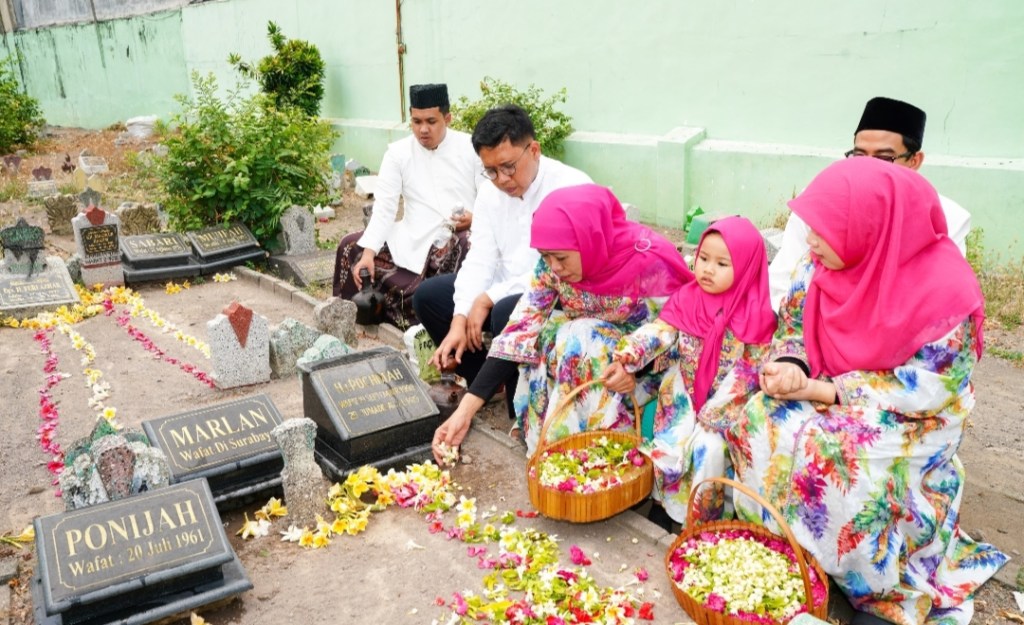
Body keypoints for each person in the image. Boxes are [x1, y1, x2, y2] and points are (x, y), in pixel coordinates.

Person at [728, 157, 1007, 625]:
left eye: (824, 230)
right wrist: (791, 365)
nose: (810, 240)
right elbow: (792, 327)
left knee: (837, 452)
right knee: (761, 417)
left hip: (913, 415)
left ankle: (875, 588)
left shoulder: (947, 291)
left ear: (871, 230)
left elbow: (931, 387)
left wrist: (828, 390)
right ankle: (788, 552)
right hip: (825, 387)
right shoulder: (817, 267)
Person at [431, 184, 692, 464]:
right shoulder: (552, 267)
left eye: (561, 257)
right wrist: (465, 412)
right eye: (545, 256)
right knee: (548, 332)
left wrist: (636, 370)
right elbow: (520, 329)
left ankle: (598, 451)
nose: (553, 267)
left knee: (580, 334)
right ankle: (553, 445)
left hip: (641, 372)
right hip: (580, 360)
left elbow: (680, 334)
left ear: (590, 240)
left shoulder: (649, 264)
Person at [413, 104, 591, 420]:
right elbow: (480, 259)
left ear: (533, 150)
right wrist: (460, 317)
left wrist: (488, 299)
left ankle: (519, 411)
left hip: (561, 293)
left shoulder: (570, 187)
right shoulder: (489, 194)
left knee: (506, 310)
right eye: (491, 170)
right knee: (429, 297)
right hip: (504, 285)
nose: (501, 179)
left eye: (508, 167)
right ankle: (486, 380)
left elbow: (553, 270)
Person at [602, 216, 776, 529]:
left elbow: (748, 374)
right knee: (671, 442)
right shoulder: (687, 298)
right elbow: (660, 331)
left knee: (707, 449)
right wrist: (627, 354)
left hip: (726, 408)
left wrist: (713, 414)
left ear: (748, 267)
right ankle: (666, 509)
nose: (708, 269)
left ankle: (701, 525)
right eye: (704, 258)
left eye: (723, 263)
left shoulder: (757, 316)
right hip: (683, 391)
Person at [768, 96, 972, 310]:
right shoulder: (819, 205)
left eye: (883, 158)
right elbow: (781, 283)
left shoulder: (944, 218)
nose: (868, 167)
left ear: (914, 161)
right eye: (859, 155)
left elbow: (944, 301)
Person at [333, 83, 481, 329]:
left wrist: (474, 219)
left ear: (448, 118)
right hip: (412, 235)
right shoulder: (397, 153)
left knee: (465, 247)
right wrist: (369, 252)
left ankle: (441, 322)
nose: (423, 129)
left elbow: (490, 196)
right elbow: (385, 207)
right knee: (351, 246)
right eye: (416, 121)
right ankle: (353, 320)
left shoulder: (471, 148)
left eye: (431, 121)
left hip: (457, 234)